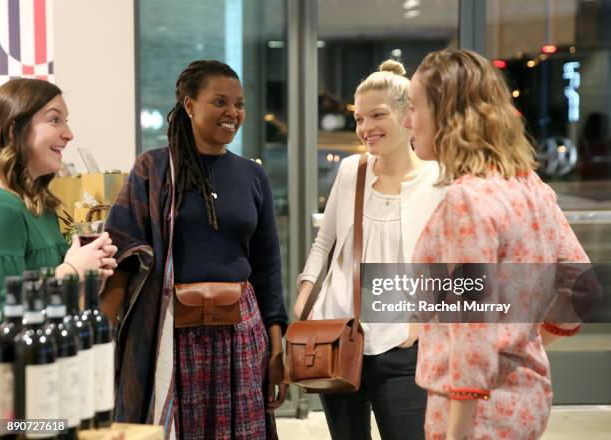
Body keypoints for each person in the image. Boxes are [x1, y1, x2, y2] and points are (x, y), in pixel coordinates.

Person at [405, 49, 590, 439]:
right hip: (527, 399)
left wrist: (456, 432)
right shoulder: (530, 186)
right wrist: (522, 343)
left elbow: (471, 326)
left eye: (414, 108)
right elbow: (584, 287)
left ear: (446, 116)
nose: (408, 121)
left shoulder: (466, 200)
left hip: (473, 414)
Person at [102, 60, 288, 439]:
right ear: (189, 105)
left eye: (239, 103)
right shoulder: (153, 169)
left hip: (241, 333)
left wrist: (276, 349)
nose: (232, 113)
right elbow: (121, 251)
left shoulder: (253, 175)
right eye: (219, 102)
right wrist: (104, 338)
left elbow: (267, 266)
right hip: (172, 334)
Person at [294, 60, 447, 440]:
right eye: (359, 118)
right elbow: (324, 241)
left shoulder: (438, 179)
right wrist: (304, 299)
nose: (365, 128)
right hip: (338, 333)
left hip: (402, 340)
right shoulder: (351, 171)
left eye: (377, 115)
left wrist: (423, 319)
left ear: (408, 114)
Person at [0, 78, 117, 314]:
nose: (69, 134)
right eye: (54, 120)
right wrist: (72, 270)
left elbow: (52, 304)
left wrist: (87, 277)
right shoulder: (5, 209)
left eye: (66, 121)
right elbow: (5, 311)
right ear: (15, 131)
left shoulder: (43, 210)